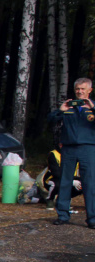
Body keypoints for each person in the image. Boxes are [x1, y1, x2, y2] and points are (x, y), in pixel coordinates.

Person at [47, 77, 95, 228]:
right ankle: (62, 215)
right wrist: (60, 111)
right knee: (65, 182)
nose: (80, 92)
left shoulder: (92, 107)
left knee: (90, 183)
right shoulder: (69, 107)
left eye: (83, 89)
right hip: (68, 148)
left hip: (88, 148)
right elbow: (50, 120)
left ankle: (92, 219)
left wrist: (92, 107)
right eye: (77, 89)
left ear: (89, 90)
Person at [37, 142, 83, 208]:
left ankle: (64, 200)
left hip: (72, 177)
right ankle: (50, 199)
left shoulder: (75, 154)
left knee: (84, 185)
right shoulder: (53, 154)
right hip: (54, 179)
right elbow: (56, 173)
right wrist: (70, 181)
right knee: (57, 185)